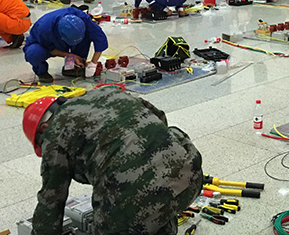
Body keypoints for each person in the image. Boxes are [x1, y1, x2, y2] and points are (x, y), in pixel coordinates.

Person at [22, 88, 202, 235]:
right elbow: (159, 119)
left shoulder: (54, 133)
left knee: (122, 217)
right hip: (191, 179)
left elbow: (51, 200)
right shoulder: (108, 92)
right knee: (168, 142)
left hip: (143, 202)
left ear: (44, 127)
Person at [24, 7, 108, 82]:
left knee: (87, 36)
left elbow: (100, 38)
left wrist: (93, 63)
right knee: (34, 53)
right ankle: (42, 72)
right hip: (45, 43)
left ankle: (73, 66)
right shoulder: (44, 28)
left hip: (69, 37)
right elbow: (50, 48)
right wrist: (70, 55)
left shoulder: (83, 18)